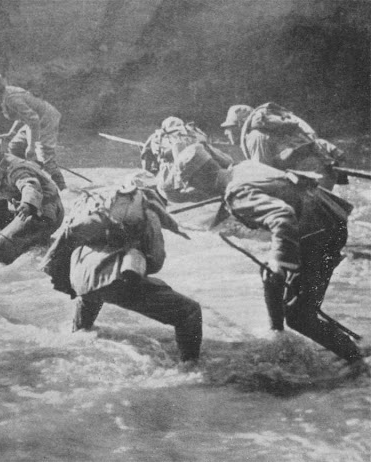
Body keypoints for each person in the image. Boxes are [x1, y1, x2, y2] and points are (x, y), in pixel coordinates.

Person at [175, 147, 364, 365]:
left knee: (300, 316)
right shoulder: (243, 167)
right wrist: (277, 263)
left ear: (200, 179)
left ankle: (357, 361)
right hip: (325, 218)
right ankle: (278, 334)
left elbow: (282, 216)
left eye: (193, 184)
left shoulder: (236, 192)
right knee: (269, 272)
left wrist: (279, 262)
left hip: (320, 232)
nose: (196, 190)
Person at [41, 172, 202, 364]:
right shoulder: (148, 211)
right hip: (112, 279)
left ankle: (77, 337)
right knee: (189, 311)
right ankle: (191, 366)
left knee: (94, 291)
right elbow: (156, 259)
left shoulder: (99, 206)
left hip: (80, 275)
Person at [0, 138, 64, 265]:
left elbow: (30, 185)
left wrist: (27, 204)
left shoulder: (15, 169)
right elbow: (5, 191)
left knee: (0, 245)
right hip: (30, 208)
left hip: (45, 213)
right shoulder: (4, 164)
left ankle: (16, 252)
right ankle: (23, 240)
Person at [0, 73, 66, 190]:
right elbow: (22, 116)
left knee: (44, 156)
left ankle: (62, 188)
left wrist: (31, 147)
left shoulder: (12, 99)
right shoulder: (6, 95)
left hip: (46, 120)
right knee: (15, 147)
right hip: (34, 122)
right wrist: (12, 133)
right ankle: (26, 180)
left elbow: (34, 120)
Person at [240, 102, 347, 189]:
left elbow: (263, 172)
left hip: (305, 179)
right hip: (322, 171)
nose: (227, 133)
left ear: (240, 123)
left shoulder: (256, 136)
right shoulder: (282, 126)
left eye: (231, 128)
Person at [140, 117, 233, 203]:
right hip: (176, 186)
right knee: (196, 151)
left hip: (181, 183)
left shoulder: (160, 138)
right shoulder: (184, 140)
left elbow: (146, 162)